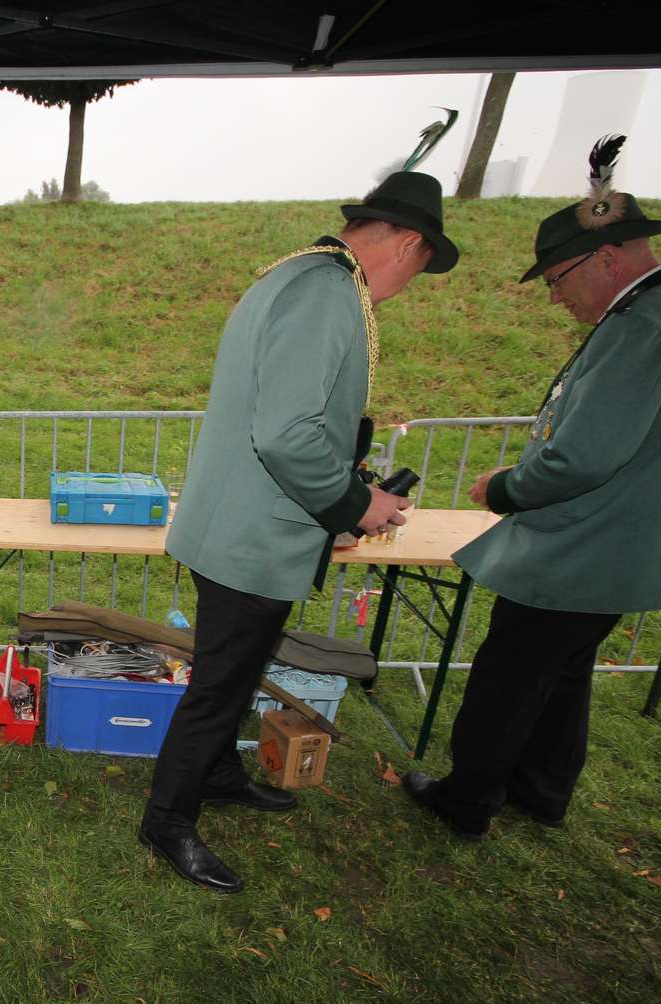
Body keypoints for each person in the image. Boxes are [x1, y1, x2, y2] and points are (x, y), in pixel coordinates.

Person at [404, 136, 661, 840]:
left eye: (557, 279)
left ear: (606, 258)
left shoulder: (643, 324)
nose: (557, 298)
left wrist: (505, 487)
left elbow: (583, 458)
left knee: (511, 674)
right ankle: (541, 791)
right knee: (563, 672)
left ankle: (468, 799)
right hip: (619, 544)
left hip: (584, 545)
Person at [139, 170, 458, 893]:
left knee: (238, 671)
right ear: (407, 246)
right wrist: (354, 503)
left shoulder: (304, 275)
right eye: (419, 269)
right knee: (218, 686)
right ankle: (167, 820)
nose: (407, 287)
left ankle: (217, 775)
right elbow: (286, 434)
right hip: (252, 535)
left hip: (248, 526)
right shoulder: (327, 292)